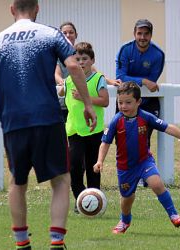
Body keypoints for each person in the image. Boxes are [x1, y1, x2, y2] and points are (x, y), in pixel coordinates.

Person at [0, 1, 97, 249]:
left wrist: (6, 106)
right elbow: (73, 65)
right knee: (61, 179)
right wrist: (88, 104)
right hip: (47, 118)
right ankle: (56, 240)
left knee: (17, 181)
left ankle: (22, 242)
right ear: (36, 9)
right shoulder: (50, 33)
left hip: (15, 122)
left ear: (12, 9)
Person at [93, 82, 180, 234]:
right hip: (125, 167)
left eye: (128, 102)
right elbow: (105, 143)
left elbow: (168, 127)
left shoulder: (145, 117)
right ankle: (125, 220)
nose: (123, 106)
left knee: (157, 184)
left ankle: (174, 214)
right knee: (127, 198)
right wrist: (100, 161)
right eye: (120, 102)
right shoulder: (115, 121)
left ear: (138, 102)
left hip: (144, 161)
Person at [57, 42, 109, 213]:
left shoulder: (98, 79)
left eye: (85, 58)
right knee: (74, 169)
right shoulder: (69, 80)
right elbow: (60, 92)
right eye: (77, 59)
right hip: (74, 131)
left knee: (93, 168)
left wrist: (83, 97)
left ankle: (95, 202)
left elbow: (105, 101)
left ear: (92, 60)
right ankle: (82, 200)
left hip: (94, 131)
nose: (81, 62)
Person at [55, 21, 120, 121]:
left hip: (80, 102)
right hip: (64, 103)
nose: (68, 35)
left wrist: (111, 81)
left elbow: (94, 72)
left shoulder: (80, 53)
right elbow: (56, 74)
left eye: (71, 32)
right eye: (64, 33)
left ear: (76, 35)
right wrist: (63, 82)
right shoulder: (58, 54)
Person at [115, 19, 164, 144]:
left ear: (151, 35)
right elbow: (121, 77)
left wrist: (147, 82)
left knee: (143, 141)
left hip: (147, 102)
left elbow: (152, 83)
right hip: (125, 101)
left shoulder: (158, 54)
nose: (142, 37)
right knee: (122, 142)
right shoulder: (125, 50)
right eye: (139, 33)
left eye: (146, 33)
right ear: (134, 34)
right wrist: (143, 81)